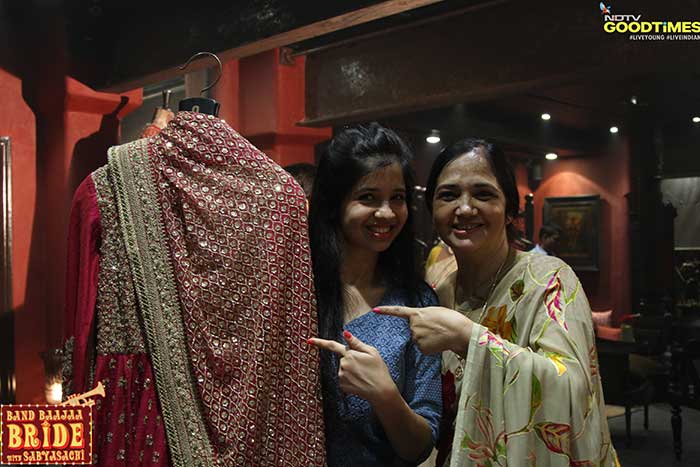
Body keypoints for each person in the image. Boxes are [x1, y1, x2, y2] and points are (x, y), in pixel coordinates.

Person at [62, 111, 326, 466]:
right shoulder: (282, 199)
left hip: (132, 417)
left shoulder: (108, 189)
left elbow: (80, 333)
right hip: (256, 419)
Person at [375, 138, 618, 466]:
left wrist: (469, 339)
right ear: (433, 211)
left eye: (483, 194)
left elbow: (573, 391)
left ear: (509, 211)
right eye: (448, 195)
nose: (464, 208)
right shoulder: (439, 291)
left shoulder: (548, 280)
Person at [306, 123, 442, 467]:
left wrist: (384, 395)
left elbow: (421, 445)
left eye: (397, 198)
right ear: (335, 203)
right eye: (368, 197)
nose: (386, 213)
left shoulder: (416, 303)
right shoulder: (298, 290)